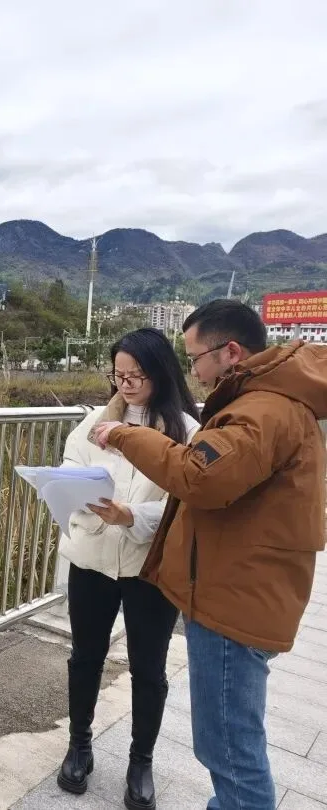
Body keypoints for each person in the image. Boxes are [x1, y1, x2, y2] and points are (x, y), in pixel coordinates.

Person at [93, 300, 327, 810]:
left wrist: (127, 435)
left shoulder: (263, 410)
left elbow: (200, 477)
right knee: (229, 741)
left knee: (230, 750)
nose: (194, 371)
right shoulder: (271, 402)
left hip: (233, 600)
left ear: (231, 352)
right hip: (241, 588)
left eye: (196, 357)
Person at [56, 328, 201, 810]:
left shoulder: (186, 430)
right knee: (85, 656)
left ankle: (141, 762)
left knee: (148, 667)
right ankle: (79, 745)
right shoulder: (93, 424)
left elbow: (185, 504)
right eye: (119, 375)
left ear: (161, 373)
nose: (127, 384)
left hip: (149, 566)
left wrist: (132, 517)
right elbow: (69, 471)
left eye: (137, 375)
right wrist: (77, 496)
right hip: (93, 559)